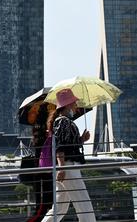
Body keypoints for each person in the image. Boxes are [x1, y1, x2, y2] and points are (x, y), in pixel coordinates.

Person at [41, 88, 95, 222]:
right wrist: (62, 168)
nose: (76, 105)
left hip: (65, 167)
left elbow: (66, 145)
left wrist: (81, 139)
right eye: (74, 102)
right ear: (68, 104)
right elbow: (60, 147)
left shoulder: (62, 121)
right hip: (68, 167)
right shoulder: (63, 121)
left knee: (60, 207)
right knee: (83, 203)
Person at [25, 102, 54, 222]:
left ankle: (41, 212)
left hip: (38, 165)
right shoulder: (46, 124)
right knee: (48, 192)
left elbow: (35, 143)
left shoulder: (35, 125)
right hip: (46, 164)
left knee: (39, 193)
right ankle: (45, 213)